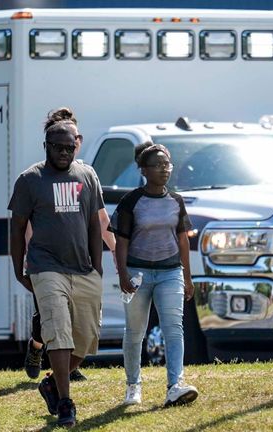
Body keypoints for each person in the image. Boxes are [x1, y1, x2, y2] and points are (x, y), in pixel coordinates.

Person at [9, 114, 104, 428]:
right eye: (58, 148)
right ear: (46, 146)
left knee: (88, 339)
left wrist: (98, 266)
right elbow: (17, 226)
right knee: (58, 333)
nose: (64, 153)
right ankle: (65, 402)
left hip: (83, 268)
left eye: (69, 148)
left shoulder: (88, 176)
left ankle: (51, 383)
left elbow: (93, 223)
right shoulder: (30, 179)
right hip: (46, 267)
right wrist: (19, 269)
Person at [23, 107, 117, 382]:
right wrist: (31, 257)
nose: (69, 145)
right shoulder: (39, 176)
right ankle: (36, 348)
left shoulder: (85, 174)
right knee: (49, 318)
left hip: (79, 262)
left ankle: (62, 372)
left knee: (77, 320)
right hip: (47, 261)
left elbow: (100, 219)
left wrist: (118, 250)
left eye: (73, 138)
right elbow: (28, 223)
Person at [109, 142, 199, 407]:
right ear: (144, 170)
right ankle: (133, 385)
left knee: (174, 328)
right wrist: (124, 275)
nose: (164, 170)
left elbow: (183, 240)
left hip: (170, 272)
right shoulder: (131, 201)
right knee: (135, 332)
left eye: (167, 165)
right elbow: (121, 241)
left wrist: (187, 276)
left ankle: (175, 386)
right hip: (138, 273)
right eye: (158, 165)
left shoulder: (176, 201)